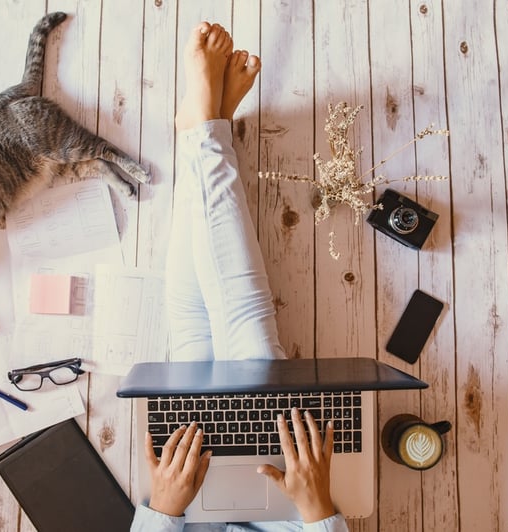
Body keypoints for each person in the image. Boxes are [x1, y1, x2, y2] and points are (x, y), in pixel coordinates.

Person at [129, 22, 349, 532]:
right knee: (244, 324)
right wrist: (317, 509)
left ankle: (205, 130)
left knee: (191, 328)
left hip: (191, 515)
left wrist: (162, 511)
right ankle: (204, 129)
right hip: (287, 522)